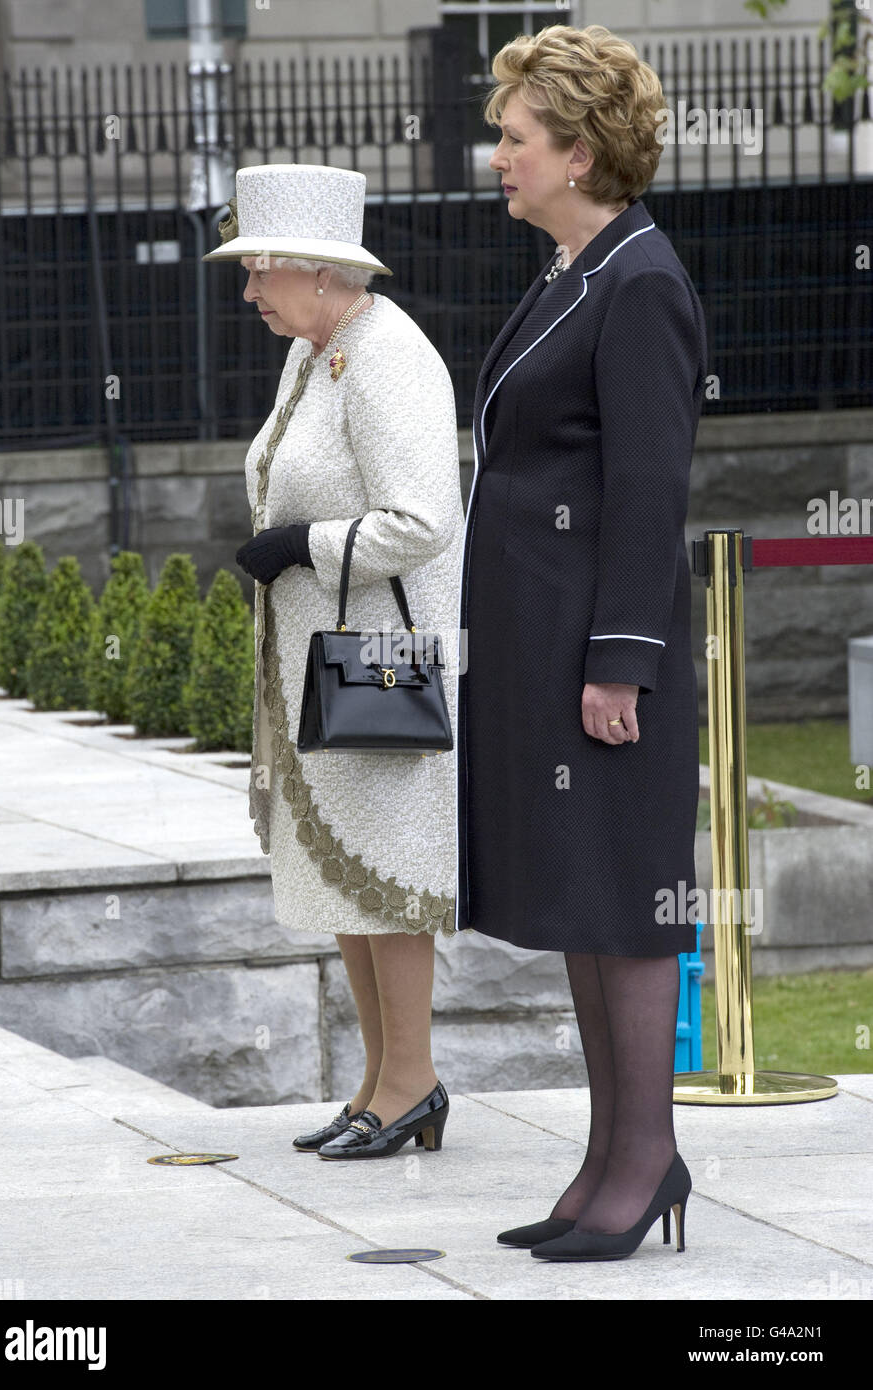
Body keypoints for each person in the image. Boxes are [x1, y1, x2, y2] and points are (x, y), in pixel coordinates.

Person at [455, 25, 707, 1258]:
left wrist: (621, 660)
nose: (496, 154)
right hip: (542, 648)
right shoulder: (575, 273)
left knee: (626, 900)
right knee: (581, 897)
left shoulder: (642, 281)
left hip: (607, 660)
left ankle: (648, 1156)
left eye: (514, 136)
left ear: (579, 147)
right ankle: (610, 1156)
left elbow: (653, 492)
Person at [203, 164, 464, 1159]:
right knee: (347, 877)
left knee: (389, 873)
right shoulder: (318, 352)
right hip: (318, 655)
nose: (248, 290)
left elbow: (423, 520)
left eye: (257, 268)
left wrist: (301, 546)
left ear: (316, 270)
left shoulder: (389, 352)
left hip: (378, 656)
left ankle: (413, 1080)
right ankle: (380, 1084)